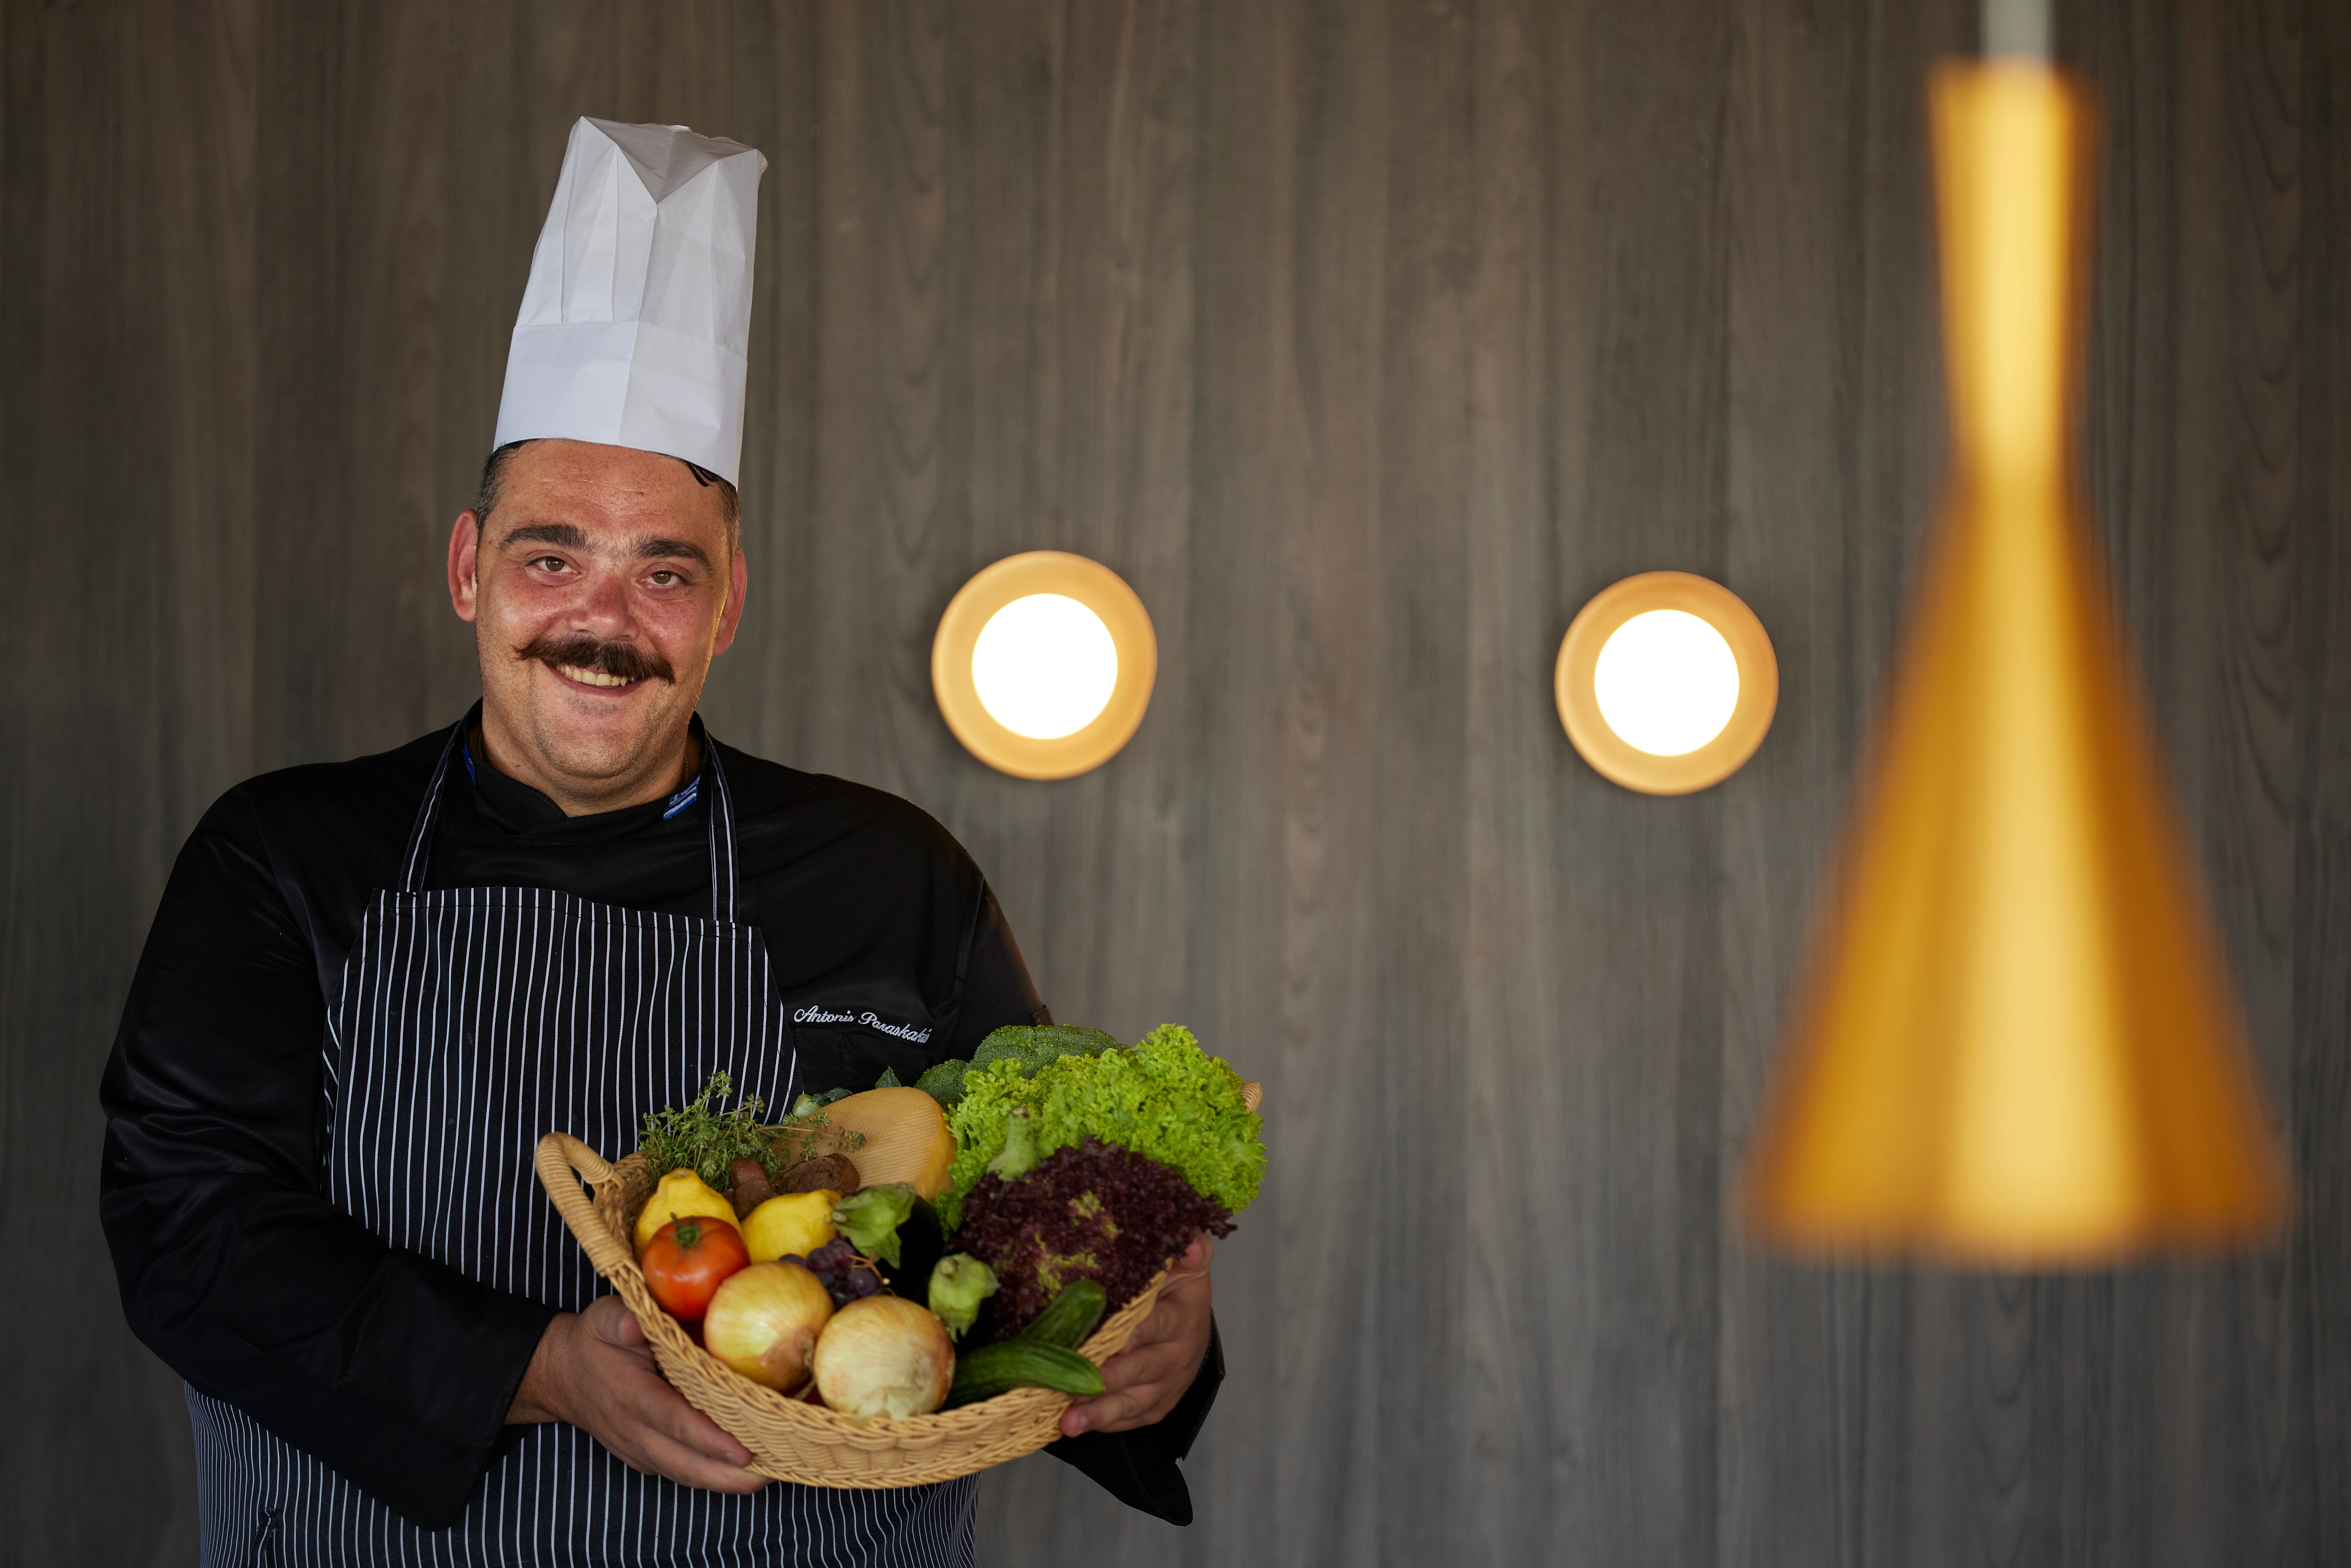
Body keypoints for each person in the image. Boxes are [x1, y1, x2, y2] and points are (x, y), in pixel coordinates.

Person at [98, 119, 1220, 1568]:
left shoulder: (888, 871)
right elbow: (189, 1232)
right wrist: (542, 1366)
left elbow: (1020, 1255)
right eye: (551, 554)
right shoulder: (284, 857)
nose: (601, 622)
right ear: (468, 569)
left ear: (729, 604)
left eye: (664, 572)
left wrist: (1150, 1353)